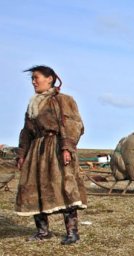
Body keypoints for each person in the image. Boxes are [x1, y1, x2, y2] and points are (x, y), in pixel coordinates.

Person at [15, 65, 86, 245]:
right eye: (32, 78)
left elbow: (72, 124)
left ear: (50, 79)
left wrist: (66, 148)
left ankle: (72, 232)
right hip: (36, 150)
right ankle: (43, 231)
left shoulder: (63, 100)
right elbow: (26, 132)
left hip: (56, 147)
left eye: (36, 77)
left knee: (64, 186)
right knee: (34, 187)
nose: (33, 81)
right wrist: (22, 153)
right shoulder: (33, 104)